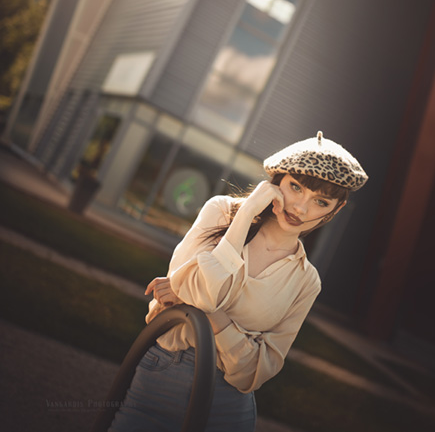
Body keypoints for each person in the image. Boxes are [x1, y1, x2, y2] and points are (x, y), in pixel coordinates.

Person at [110, 131, 368, 432]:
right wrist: (246, 213)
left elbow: (254, 373)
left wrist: (209, 314)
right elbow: (207, 295)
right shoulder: (220, 213)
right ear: (276, 181)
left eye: (320, 202)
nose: (300, 208)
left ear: (333, 212)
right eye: (295, 187)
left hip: (227, 407)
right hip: (160, 378)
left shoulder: (307, 281)